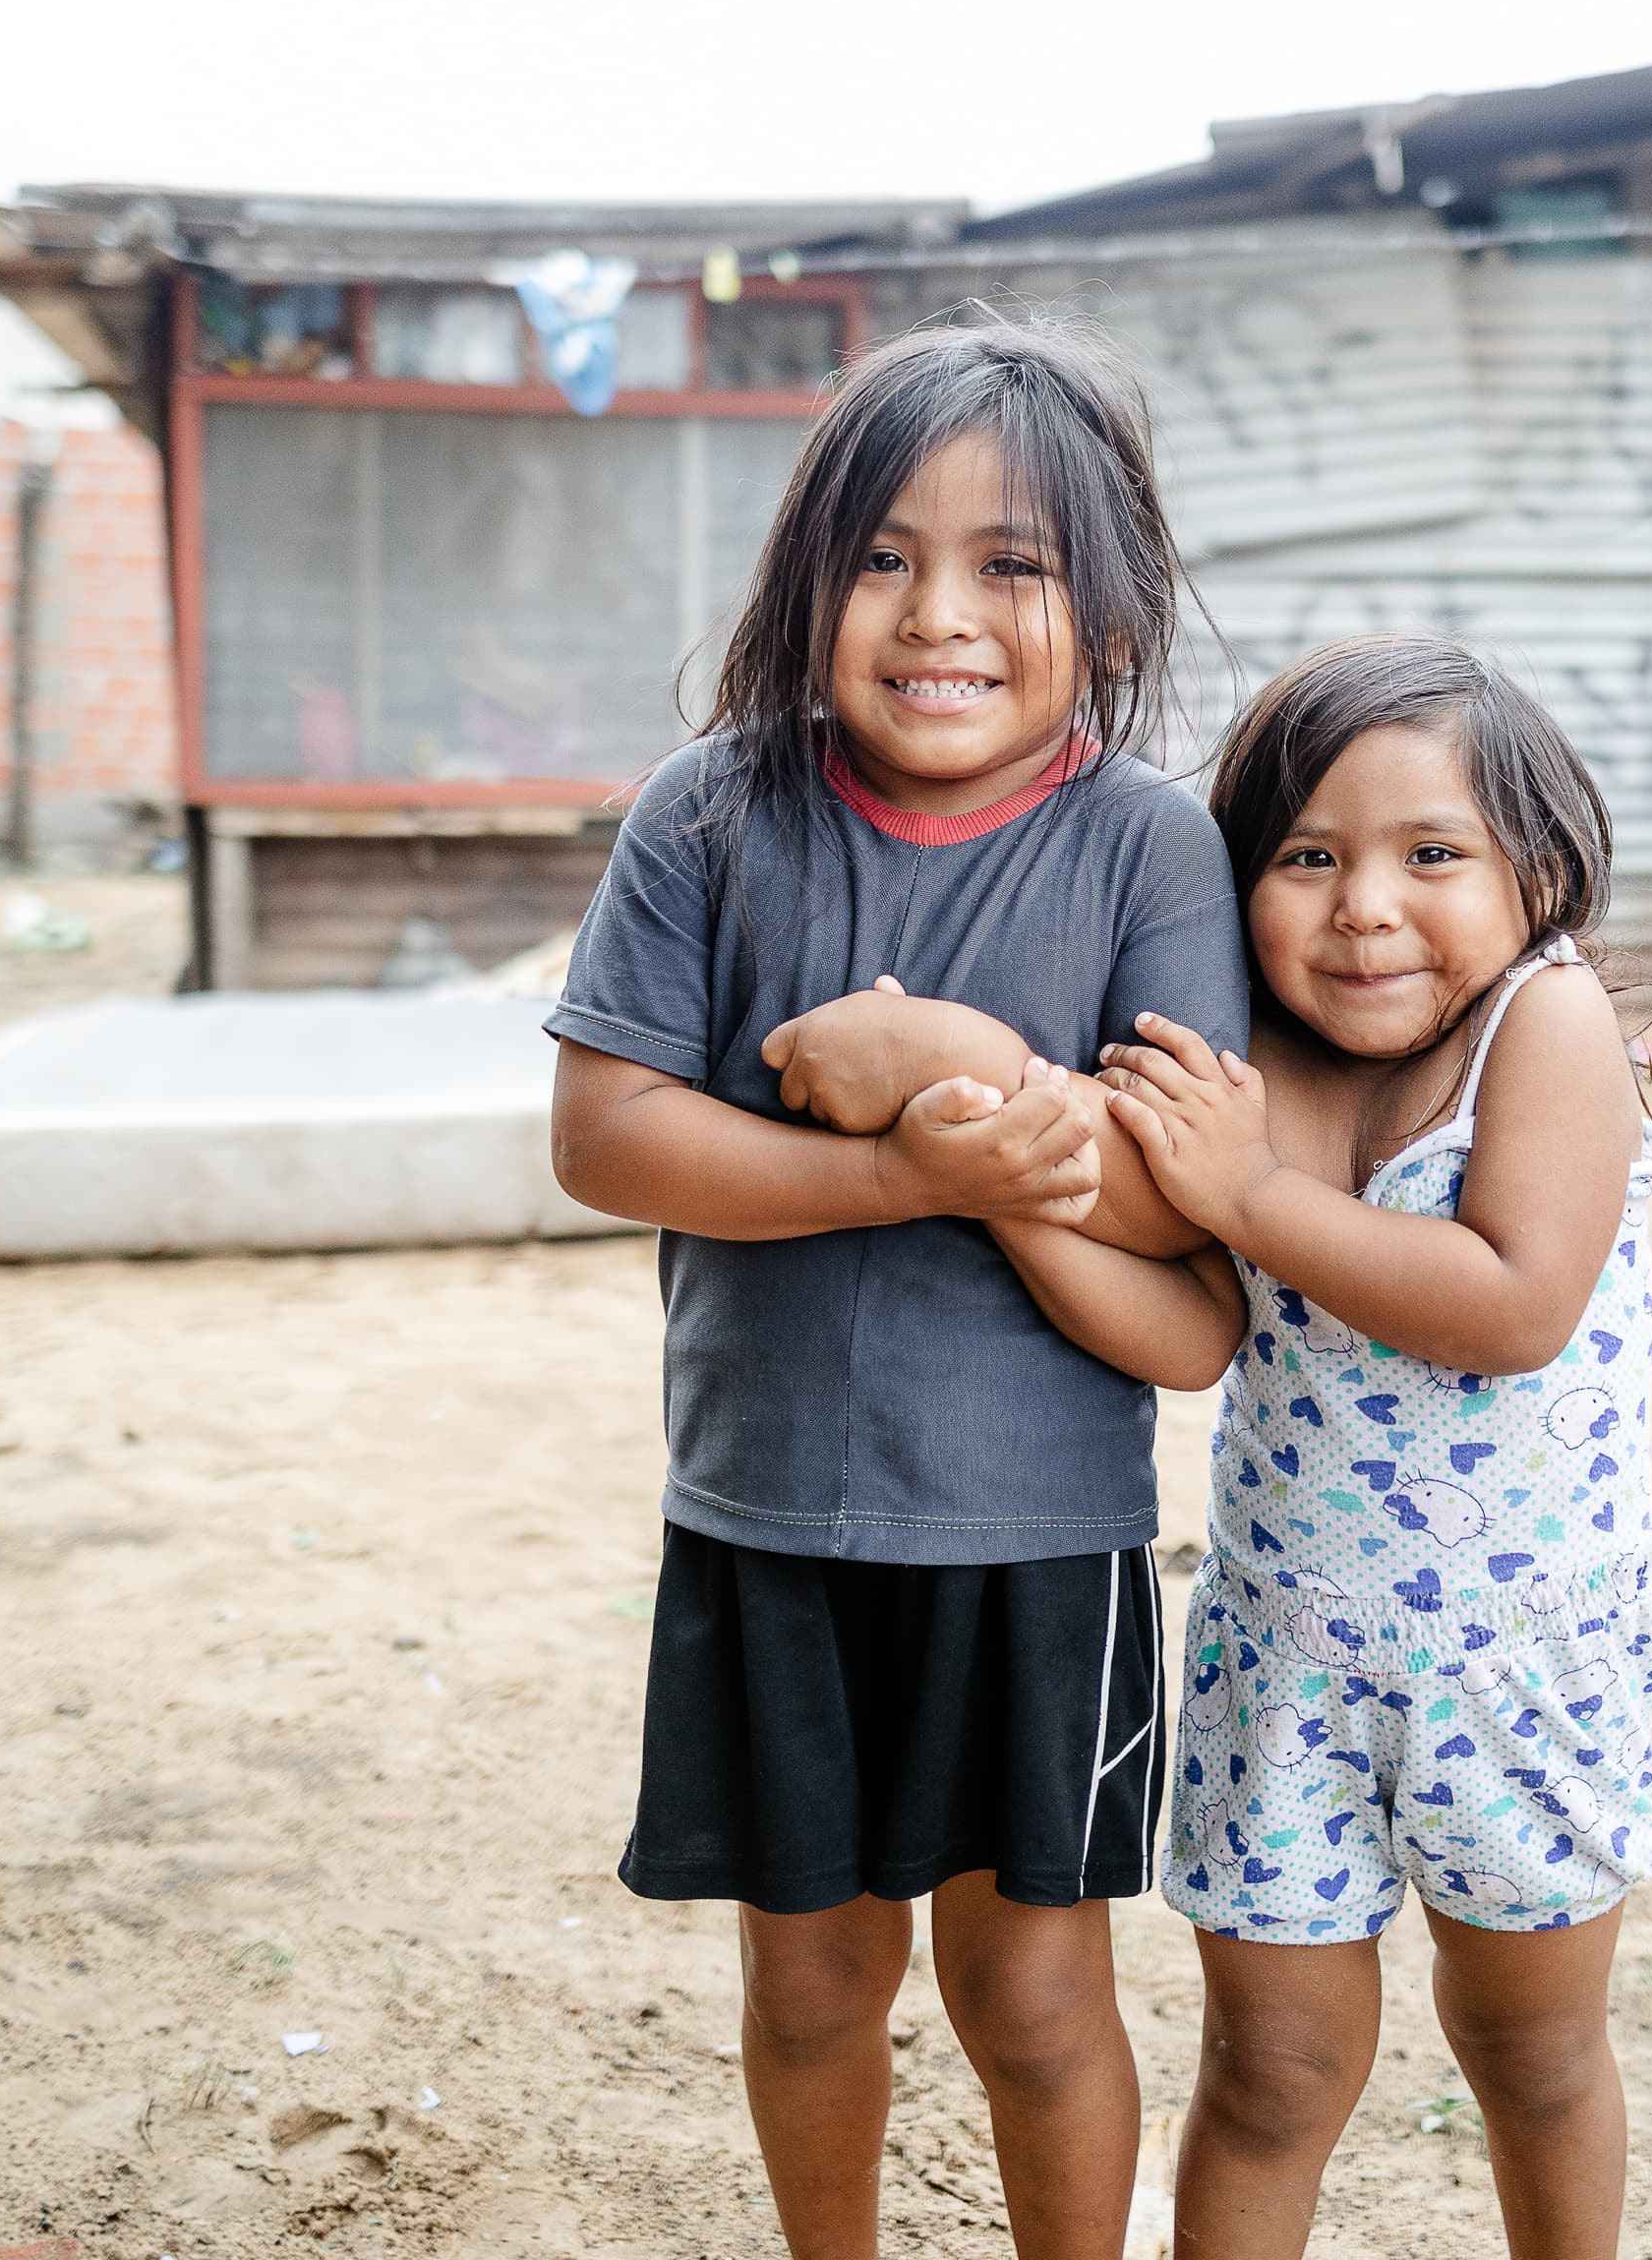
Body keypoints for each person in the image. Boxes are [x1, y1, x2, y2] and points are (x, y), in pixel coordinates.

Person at [768, 633, 1652, 2260]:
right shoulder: (1259, 1064)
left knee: (1529, 2053)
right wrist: (1018, 1200)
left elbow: (1513, 1301)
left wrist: (1243, 1192)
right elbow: (1203, 1335)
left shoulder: (1549, 1027)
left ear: (1537, 872)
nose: (1366, 905)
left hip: (1521, 1665)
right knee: (1269, 2073)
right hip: (1286, 1658)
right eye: (1307, 856)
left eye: (1434, 854)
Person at [545, 315, 1253, 2260]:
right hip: (765, 1513)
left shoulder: (1146, 847)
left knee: (1031, 1998)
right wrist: (897, 1170)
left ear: (1103, 607)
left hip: (1038, 1540)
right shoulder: (713, 811)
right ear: (809, 577)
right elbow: (607, 1133)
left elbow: (1186, 1248)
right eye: (884, 553)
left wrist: (957, 1066)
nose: (940, 612)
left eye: (1011, 562)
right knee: (808, 1985)